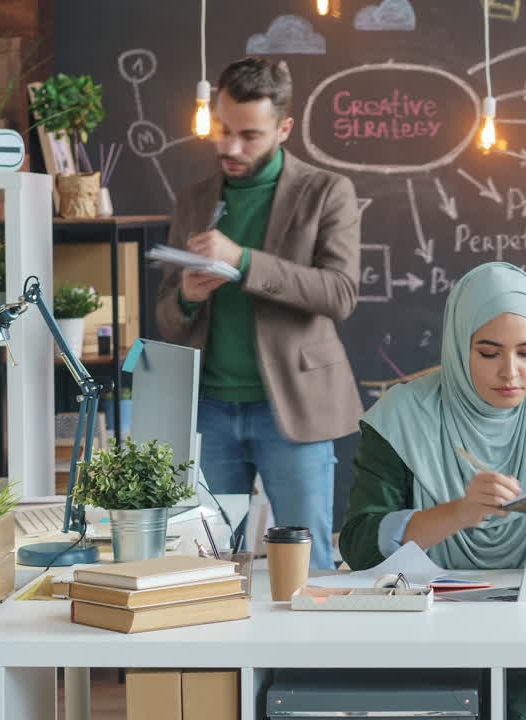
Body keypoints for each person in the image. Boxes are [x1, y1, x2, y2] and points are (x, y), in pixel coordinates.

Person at [340, 262, 526, 720]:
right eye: (488, 352)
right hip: (416, 633)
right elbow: (360, 546)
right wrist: (458, 513)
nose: (510, 372)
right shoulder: (402, 418)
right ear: (459, 346)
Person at [156, 57, 362, 570]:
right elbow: (166, 317)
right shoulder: (193, 200)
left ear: (284, 128)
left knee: (309, 565)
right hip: (208, 410)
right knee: (208, 567)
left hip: (292, 407)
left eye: (249, 135)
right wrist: (187, 296)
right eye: (223, 130)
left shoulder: (326, 191)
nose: (230, 147)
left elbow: (340, 294)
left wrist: (243, 261)